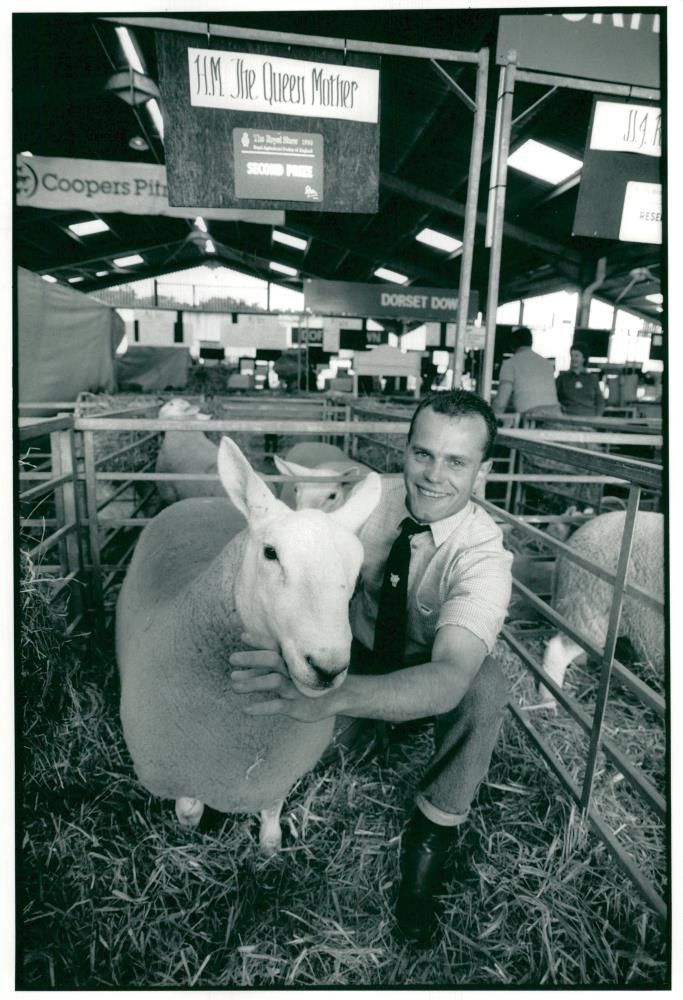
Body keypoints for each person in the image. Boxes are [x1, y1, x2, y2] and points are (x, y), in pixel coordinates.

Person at [229, 390, 513, 946]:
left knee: (484, 686)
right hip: (350, 653)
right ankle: (243, 779)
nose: (433, 476)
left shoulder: (482, 554)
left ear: (484, 471)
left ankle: (431, 840)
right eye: (423, 454)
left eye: (457, 461)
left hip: (420, 674)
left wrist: (332, 698)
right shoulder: (364, 501)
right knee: (282, 705)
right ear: (404, 451)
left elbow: (450, 676)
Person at [491, 325, 562, 419]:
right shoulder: (546, 363)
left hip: (531, 417)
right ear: (531, 343)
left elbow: (501, 402)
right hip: (556, 415)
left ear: (512, 345)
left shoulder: (510, 364)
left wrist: (490, 419)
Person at [556, 345, 605, 416]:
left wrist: (597, 417)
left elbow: (600, 401)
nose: (573, 358)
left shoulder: (592, 378)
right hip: (567, 418)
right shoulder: (562, 378)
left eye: (576, 355)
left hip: (589, 419)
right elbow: (553, 398)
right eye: (571, 356)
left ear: (583, 358)